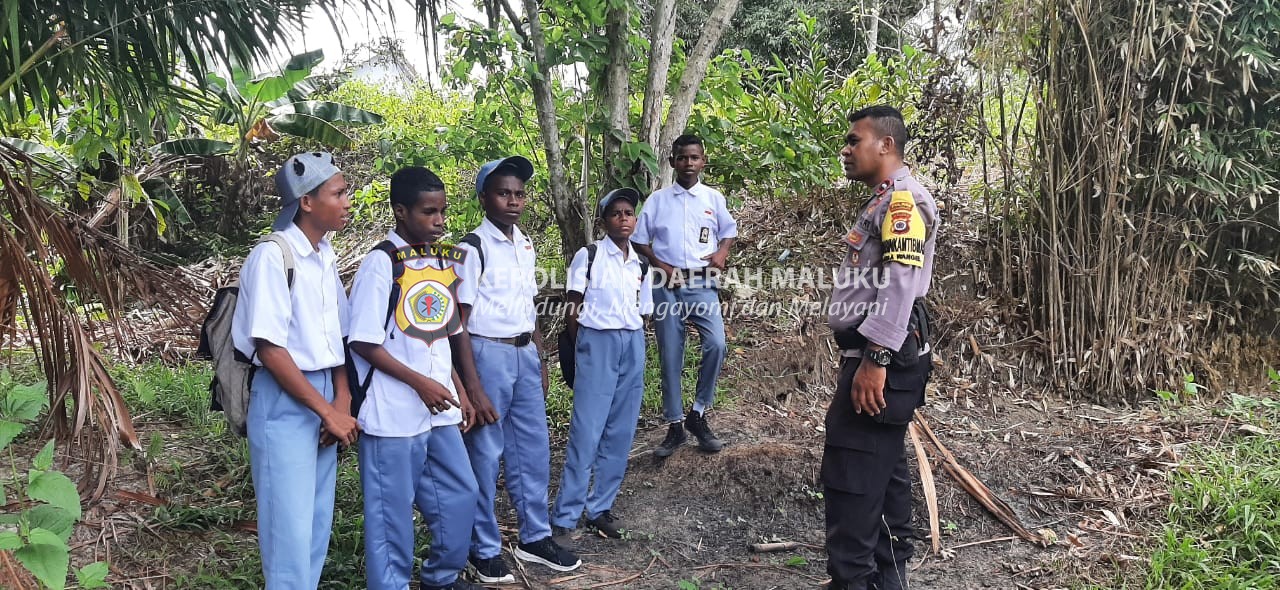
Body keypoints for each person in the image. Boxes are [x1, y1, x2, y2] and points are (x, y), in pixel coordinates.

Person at [347, 166, 485, 590]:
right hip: (393, 413)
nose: (440, 221)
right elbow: (364, 342)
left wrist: (459, 388)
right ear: (400, 211)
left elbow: (445, 333)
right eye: (430, 212)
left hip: (439, 409)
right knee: (392, 514)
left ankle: (440, 578)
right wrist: (420, 383)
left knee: (460, 495)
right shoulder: (380, 264)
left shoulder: (438, 260)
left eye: (442, 212)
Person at [230, 151, 359, 589]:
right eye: (338, 193)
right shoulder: (272, 256)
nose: (347, 201)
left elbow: (338, 337)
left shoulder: (324, 254)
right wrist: (327, 410)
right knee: (288, 526)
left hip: (323, 395)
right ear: (306, 201)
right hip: (286, 398)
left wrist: (341, 399)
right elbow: (269, 348)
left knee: (316, 520)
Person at [823, 105, 938, 590]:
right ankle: (887, 580)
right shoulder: (884, 200)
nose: (846, 151)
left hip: (881, 358)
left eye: (855, 141)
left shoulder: (901, 203)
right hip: (877, 354)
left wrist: (876, 360)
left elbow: (898, 285)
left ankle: (855, 579)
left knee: (851, 477)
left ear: (885, 145)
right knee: (883, 473)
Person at [456, 156, 582, 583]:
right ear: (484, 198)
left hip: (524, 352)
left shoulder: (523, 244)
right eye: (503, 192)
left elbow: (527, 308)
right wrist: (469, 384)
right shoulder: (472, 248)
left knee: (532, 448)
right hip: (486, 354)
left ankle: (534, 537)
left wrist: (540, 358)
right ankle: (483, 548)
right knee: (486, 452)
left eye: (519, 193)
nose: (513, 200)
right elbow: (459, 319)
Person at [551, 188, 654, 540]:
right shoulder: (590, 255)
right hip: (597, 341)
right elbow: (572, 306)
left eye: (629, 213)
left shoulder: (641, 263)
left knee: (621, 430)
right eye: (616, 213)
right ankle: (566, 514)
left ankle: (600, 508)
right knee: (587, 430)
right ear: (604, 221)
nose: (623, 218)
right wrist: (583, 347)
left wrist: (634, 343)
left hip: (632, 342)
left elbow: (645, 310)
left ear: (635, 220)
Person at [633, 134, 738, 457]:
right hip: (666, 284)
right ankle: (675, 425)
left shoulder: (712, 199)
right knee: (670, 353)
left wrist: (722, 252)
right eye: (682, 158)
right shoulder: (657, 201)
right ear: (672, 162)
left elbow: (728, 232)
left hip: (701, 283)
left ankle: (698, 413)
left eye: (694, 157)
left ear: (703, 161)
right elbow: (639, 240)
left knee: (717, 343)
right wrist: (662, 265)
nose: (688, 163)